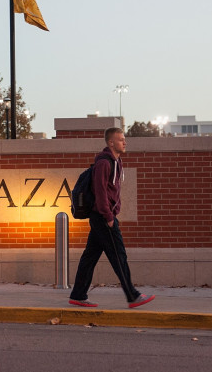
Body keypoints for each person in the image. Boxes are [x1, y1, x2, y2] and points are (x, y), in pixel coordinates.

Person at [68, 127, 155, 309]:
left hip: (102, 216)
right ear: (111, 142)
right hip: (102, 216)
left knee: (90, 257)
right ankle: (132, 295)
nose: (125, 142)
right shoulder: (104, 163)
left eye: (124, 139)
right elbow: (100, 192)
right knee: (119, 256)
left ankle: (78, 295)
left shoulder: (116, 161)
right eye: (121, 139)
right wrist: (108, 216)